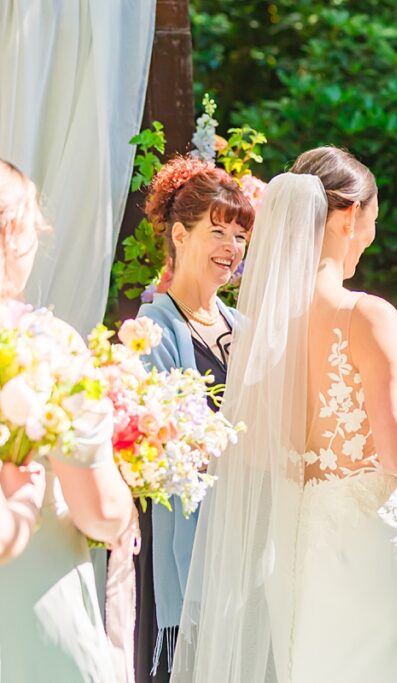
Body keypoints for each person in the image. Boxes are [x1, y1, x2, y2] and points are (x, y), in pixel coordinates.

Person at [171, 148, 397, 682]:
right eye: (372, 222)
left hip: (296, 550)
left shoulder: (263, 330)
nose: (370, 237)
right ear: (346, 217)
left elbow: (259, 449)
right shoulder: (368, 314)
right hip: (369, 542)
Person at [0, 159, 135, 680]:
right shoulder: (45, 346)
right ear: (13, 236)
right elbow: (99, 510)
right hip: (36, 619)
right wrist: (126, 499)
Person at [135, 155, 254, 680]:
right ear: (180, 236)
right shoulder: (152, 327)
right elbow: (163, 446)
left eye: (240, 235)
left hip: (245, 531)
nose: (232, 248)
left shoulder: (244, 326)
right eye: (218, 232)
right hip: (185, 534)